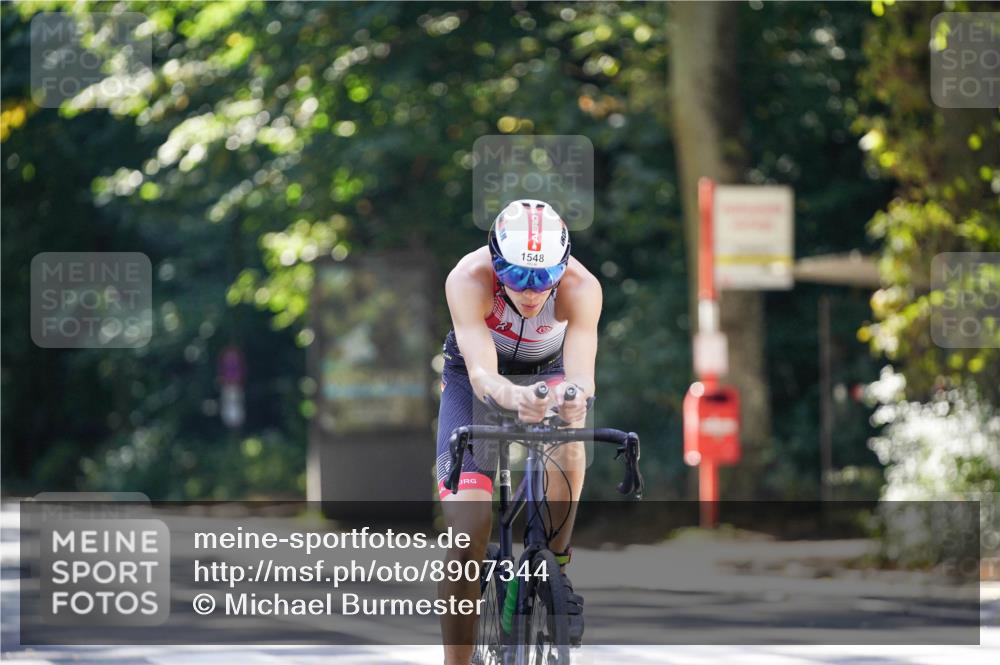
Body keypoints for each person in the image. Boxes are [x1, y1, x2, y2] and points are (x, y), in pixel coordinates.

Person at [435, 199, 602, 665]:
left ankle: (559, 564)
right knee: (468, 533)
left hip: (547, 371)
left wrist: (573, 399)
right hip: (475, 382)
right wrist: (515, 399)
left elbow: (582, 374)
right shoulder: (468, 278)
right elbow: (484, 376)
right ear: (495, 261)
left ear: (562, 267)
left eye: (543, 278)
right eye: (516, 278)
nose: (531, 293)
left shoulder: (582, 286)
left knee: (571, 439)